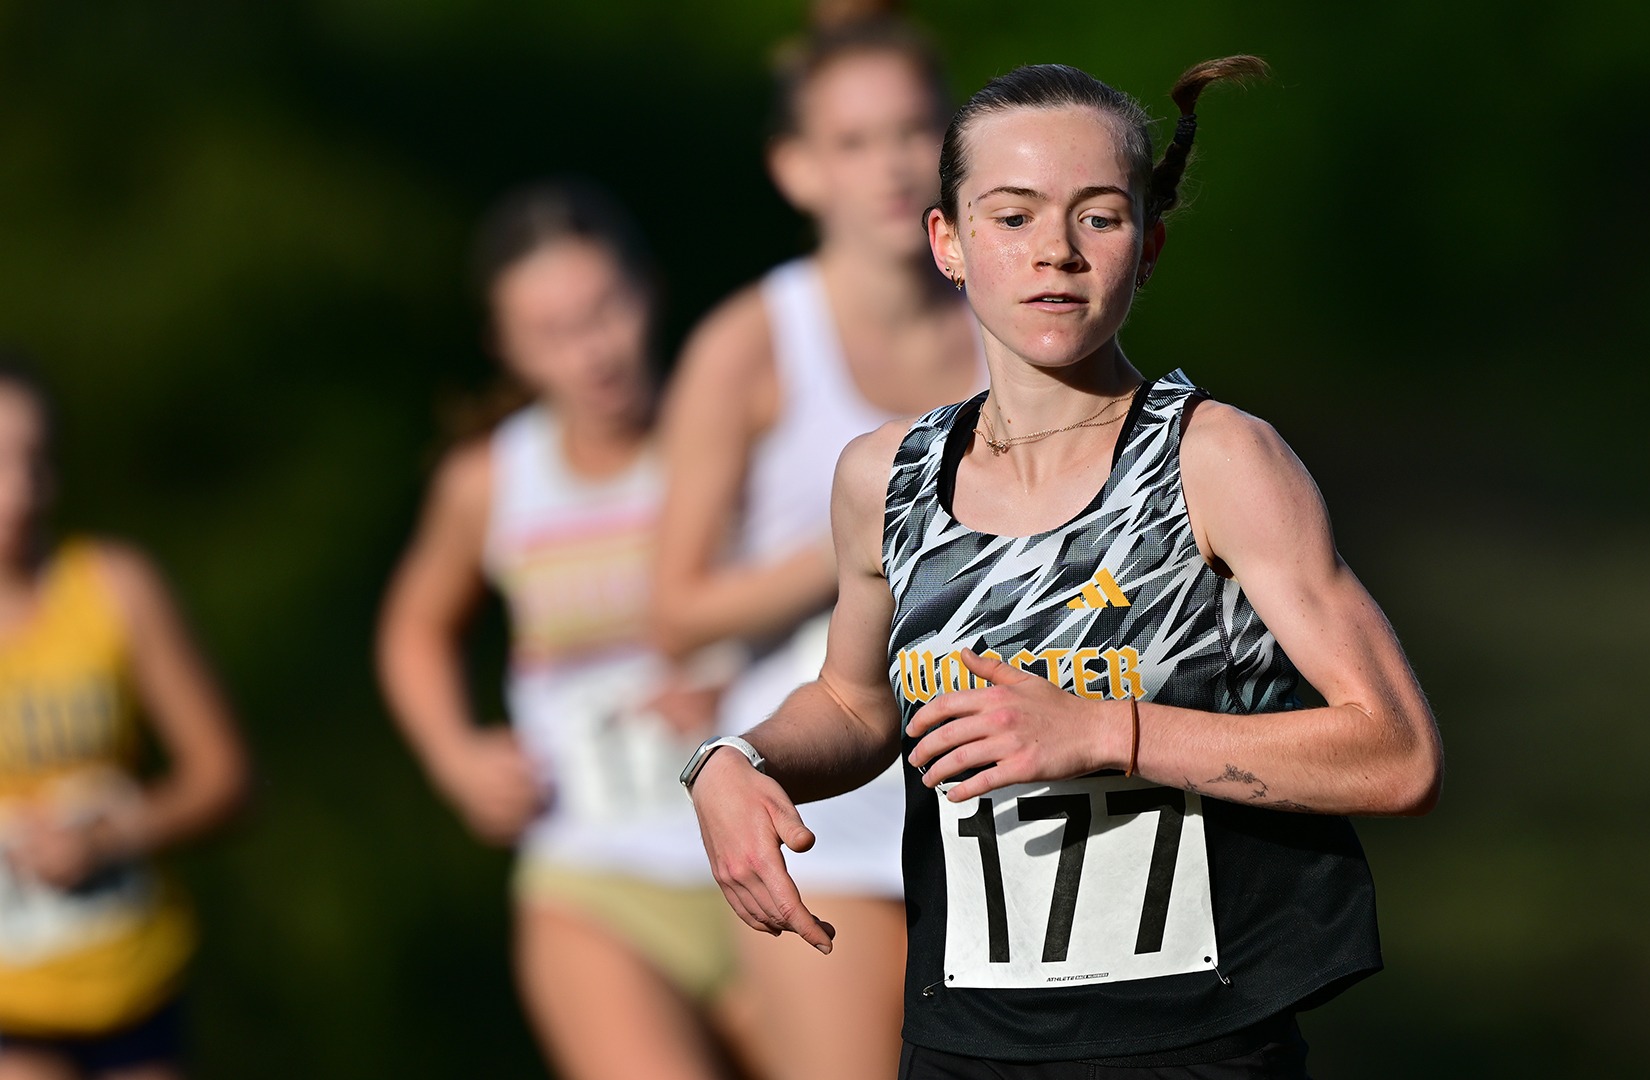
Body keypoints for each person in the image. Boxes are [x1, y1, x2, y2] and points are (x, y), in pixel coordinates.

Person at [681, 57, 1445, 1078]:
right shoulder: (885, 478)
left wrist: (1102, 731)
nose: (1056, 253)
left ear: (1150, 246)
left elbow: (1396, 753)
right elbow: (858, 708)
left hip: (1195, 1049)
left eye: (1098, 217)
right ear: (946, 243)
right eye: (1012, 217)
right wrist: (737, 760)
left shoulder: (1217, 462)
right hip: (966, 1046)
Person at [650, 14, 984, 1080]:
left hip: (1001, 808)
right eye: (852, 142)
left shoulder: (1019, 317)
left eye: (911, 131)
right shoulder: (749, 344)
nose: (890, 166)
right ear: (795, 169)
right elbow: (674, 609)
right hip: (821, 818)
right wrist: (867, 542)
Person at [376, 181, 746, 1080]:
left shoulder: (740, 433)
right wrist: (454, 756)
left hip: (777, 854)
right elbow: (414, 627)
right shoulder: (493, 482)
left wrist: (740, 677)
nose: (595, 353)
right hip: (593, 870)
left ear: (647, 290)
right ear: (505, 347)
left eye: (605, 310)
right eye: (553, 332)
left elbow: (853, 589)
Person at [0, 357, 250, 1079]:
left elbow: (228, 779)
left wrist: (109, 834)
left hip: (134, 976)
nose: (18, 489)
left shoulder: (115, 587)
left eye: (35, 461)